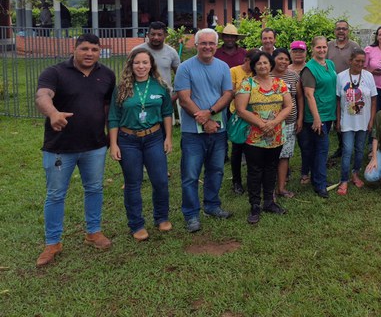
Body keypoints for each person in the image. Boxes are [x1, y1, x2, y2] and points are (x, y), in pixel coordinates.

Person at [34, 34, 116, 267]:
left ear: (100, 51)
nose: (89, 53)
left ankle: (93, 232)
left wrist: (112, 136)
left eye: (94, 49)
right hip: (60, 148)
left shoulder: (107, 75)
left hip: (95, 146)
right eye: (84, 49)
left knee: (94, 189)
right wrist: (53, 113)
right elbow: (42, 96)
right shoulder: (55, 72)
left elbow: (108, 107)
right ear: (75, 49)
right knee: (56, 194)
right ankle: (53, 243)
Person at [108, 50, 173, 241]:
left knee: (160, 180)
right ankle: (136, 224)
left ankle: (161, 217)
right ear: (131, 65)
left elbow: (167, 112)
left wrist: (168, 137)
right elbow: (113, 117)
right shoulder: (121, 88)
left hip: (154, 137)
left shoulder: (160, 86)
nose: (141, 67)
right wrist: (113, 144)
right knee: (133, 183)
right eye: (137, 63)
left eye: (145, 62)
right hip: (128, 141)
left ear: (151, 65)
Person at [175, 28, 234, 232]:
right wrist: (203, 119)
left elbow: (228, 94)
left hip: (218, 128)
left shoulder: (223, 67)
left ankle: (212, 205)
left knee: (216, 170)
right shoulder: (185, 68)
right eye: (203, 43)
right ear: (196, 44)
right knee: (191, 174)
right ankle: (191, 214)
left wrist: (210, 112)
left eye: (211, 43)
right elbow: (184, 98)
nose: (207, 47)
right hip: (192, 131)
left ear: (216, 46)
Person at [235, 51, 292, 224]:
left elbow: (288, 105)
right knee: (254, 170)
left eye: (266, 63)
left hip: (276, 134)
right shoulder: (247, 84)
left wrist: (273, 122)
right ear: (253, 66)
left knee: (271, 168)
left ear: (271, 64)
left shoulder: (280, 83)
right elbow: (241, 109)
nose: (262, 66)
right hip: (254, 136)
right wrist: (262, 124)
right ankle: (254, 205)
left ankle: (269, 202)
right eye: (258, 63)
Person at [300, 36, 338, 198]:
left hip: (328, 113)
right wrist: (316, 118)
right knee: (322, 149)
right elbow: (309, 95)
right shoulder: (309, 69)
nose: (322, 50)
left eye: (324, 47)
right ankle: (320, 185)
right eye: (318, 48)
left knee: (318, 149)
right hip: (317, 116)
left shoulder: (330, 64)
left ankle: (317, 178)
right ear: (312, 48)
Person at [336, 49, 377, 195]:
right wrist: (338, 120)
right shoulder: (340, 77)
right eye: (357, 61)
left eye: (362, 61)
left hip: (363, 121)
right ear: (350, 61)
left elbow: (373, 99)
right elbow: (338, 100)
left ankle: (355, 173)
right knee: (347, 150)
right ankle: (344, 179)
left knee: (360, 150)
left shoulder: (369, 76)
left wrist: (371, 119)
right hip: (347, 121)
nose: (360, 64)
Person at [273, 47, 303, 199]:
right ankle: (269, 187)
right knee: (270, 156)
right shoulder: (267, 74)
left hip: (290, 122)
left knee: (285, 155)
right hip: (270, 124)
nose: (284, 62)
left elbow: (299, 98)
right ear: (273, 59)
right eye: (280, 58)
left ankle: (281, 187)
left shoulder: (293, 76)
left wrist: (300, 118)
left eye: (286, 59)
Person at [229, 49, 259, 195]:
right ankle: (236, 181)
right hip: (238, 114)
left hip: (254, 114)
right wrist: (245, 90)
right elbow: (230, 91)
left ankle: (252, 180)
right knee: (237, 149)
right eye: (252, 63)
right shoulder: (234, 71)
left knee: (253, 149)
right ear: (246, 59)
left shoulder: (256, 73)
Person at [327, 19, 359, 158]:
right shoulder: (328, 45)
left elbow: (359, 64)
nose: (341, 31)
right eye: (338, 28)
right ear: (335, 31)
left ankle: (352, 146)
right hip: (330, 87)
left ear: (348, 31)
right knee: (336, 118)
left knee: (349, 115)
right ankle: (341, 147)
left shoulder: (354, 46)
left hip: (349, 87)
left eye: (344, 28)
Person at [131, 21, 180, 95]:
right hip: (141, 96)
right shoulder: (137, 51)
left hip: (166, 97)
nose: (156, 37)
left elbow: (180, 76)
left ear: (165, 35)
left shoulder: (172, 52)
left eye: (159, 35)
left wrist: (176, 95)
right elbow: (128, 74)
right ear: (148, 35)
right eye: (153, 34)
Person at [289, 41, 313, 186]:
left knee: (305, 144)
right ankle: (284, 172)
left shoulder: (310, 68)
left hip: (307, 111)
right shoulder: (284, 68)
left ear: (306, 53)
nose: (298, 53)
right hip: (288, 112)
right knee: (285, 144)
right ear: (291, 52)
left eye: (301, 51)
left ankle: (305, 172)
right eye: (295, 51)